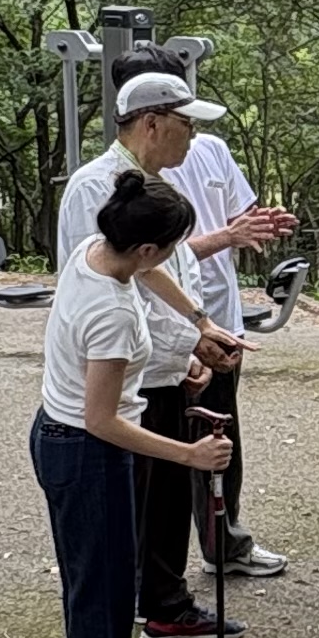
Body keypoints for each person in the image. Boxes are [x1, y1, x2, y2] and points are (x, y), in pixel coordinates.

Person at [35, 168, 237, 638]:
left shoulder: (95, 250)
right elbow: (103, 420)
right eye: (172, 246)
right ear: (148, 246)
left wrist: (199, 321)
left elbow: (150, 273)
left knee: (112, 582)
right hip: (85, 449)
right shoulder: (113, 315)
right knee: (97, 591)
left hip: (72, 439)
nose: (172, 257)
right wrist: (191, 454)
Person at [128, 41, 298, 579]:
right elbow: (148, 260)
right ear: (150, 115)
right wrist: (226, 236)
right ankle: (157, 581)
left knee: (223, 440)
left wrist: (259, 225)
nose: (189, 120)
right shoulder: (127, 177)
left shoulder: (209, 150)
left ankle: (225, 545)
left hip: (219, 319)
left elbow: (237, 217)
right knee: (166, 455)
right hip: (168, 334)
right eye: (179, 109)